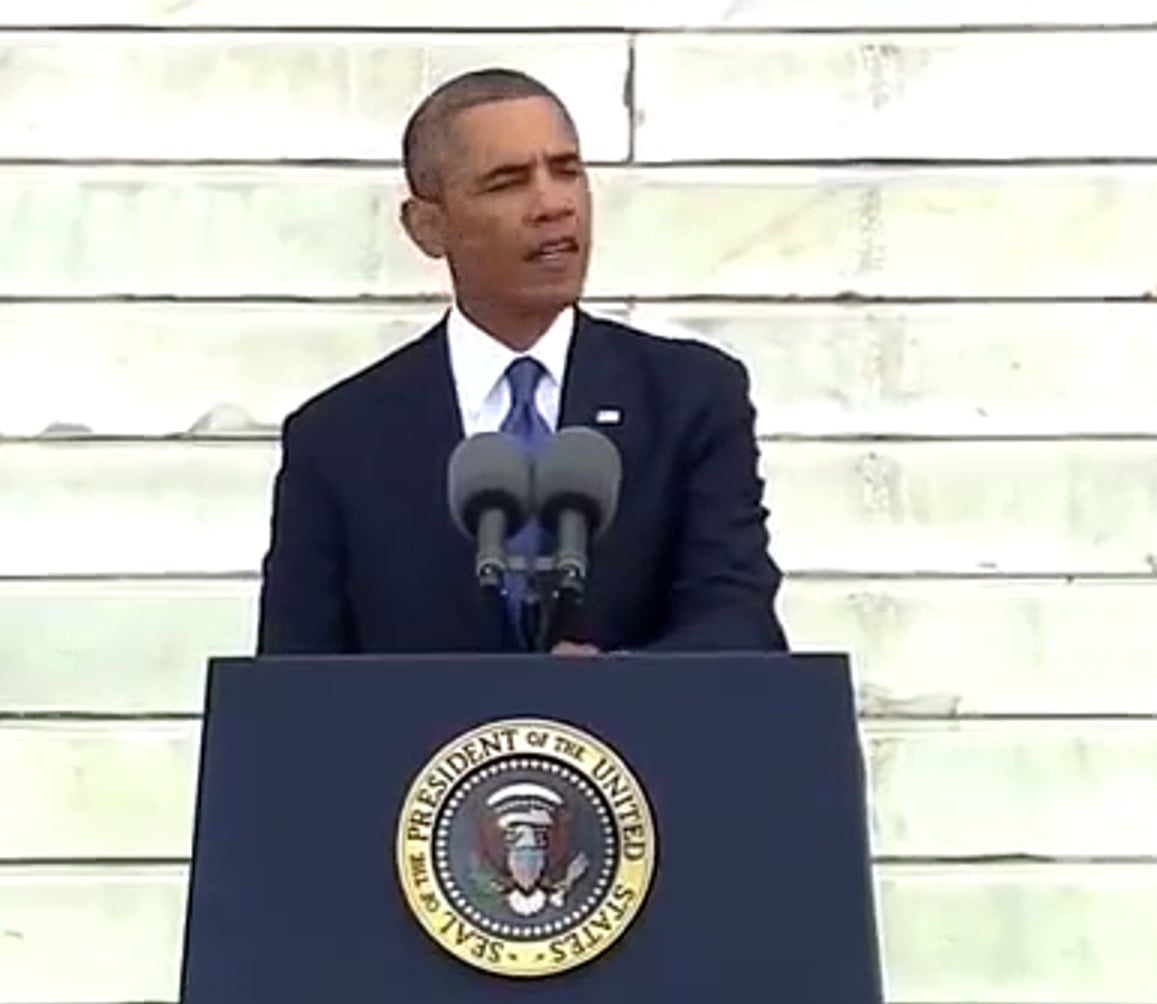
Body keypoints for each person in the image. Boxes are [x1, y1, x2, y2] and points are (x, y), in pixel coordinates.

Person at [256, 67, 787, 656]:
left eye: (567, 171)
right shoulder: (338, 439)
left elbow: (739, 624)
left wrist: (616, 685)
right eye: (507, 183)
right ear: (427, 227)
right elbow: (293, 678)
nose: (552, 205)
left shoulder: (689, 397)